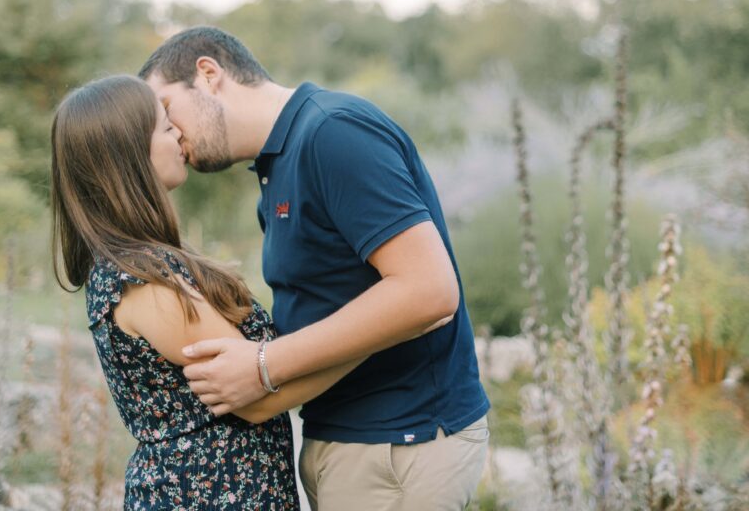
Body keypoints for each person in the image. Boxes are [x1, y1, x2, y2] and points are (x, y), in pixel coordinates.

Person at [140, 27, 491, 511]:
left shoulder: (333, 132)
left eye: (166, 108)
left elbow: (430, 291)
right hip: (349, 439)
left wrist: (263, 366)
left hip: (400, 443)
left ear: (208, 74)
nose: (172, 132)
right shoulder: (280, 163)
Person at [50, 74, 366, 510]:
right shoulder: (144, 280)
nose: (178, 131)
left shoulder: (139, 263)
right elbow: (257, 398)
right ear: (129, 155)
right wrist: (376, 336)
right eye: (164, 126)